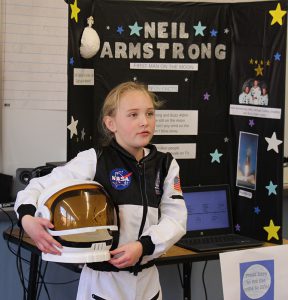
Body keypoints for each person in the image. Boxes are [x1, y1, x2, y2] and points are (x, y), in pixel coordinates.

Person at [14, 81, 187, 300]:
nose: (144, 121)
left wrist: (143, 247)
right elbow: (38, 185)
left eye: (150, 113)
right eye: (133, 115)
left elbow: (176, 218)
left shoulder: (165, 164)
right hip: (103, 284)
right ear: (111, 123)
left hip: (148, 284)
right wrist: (27, 218)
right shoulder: (95, 159)